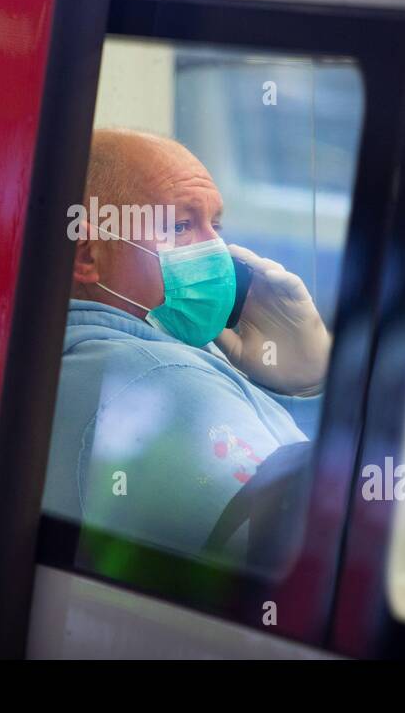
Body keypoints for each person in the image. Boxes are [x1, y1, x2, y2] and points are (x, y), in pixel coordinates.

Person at [42, 128, 332, 559]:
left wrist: (301, 386)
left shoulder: (101, 352)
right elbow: (315, 545)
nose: (218, 251)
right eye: (180, 225)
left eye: (214, 225)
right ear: (88, 254)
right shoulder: (156, 379)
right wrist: (324, 385)